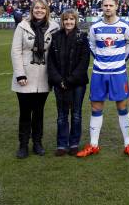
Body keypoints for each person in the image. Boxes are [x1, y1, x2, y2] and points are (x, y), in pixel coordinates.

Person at [77, 0, 129, 158]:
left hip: (118, 73)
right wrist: (100, 60)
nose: (108, 8)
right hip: (99, 72)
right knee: (96, 107)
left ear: (116, 6)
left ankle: (128, 144)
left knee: (122, 107)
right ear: (102, 7)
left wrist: (120, 61)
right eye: (105, 5)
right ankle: (93, 145)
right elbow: (91, 45)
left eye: (111, 5)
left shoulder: (125, 27)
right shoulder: (94, 27)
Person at [11, 0, 59, 159]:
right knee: (25, 112)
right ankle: (23, 145)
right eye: (36, 8)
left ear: (47, 11)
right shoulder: (22, 26)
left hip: (44, 76)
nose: (39, 10)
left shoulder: (54, 27)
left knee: (38, 112)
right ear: (32, 10)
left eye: (42, 8)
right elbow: (15, 51)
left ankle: (37, 143)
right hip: (25, 76)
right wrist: (20, 74)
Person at [47, 9, 90, 156]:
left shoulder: (82, 37)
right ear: (62, 21)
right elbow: (50, 62)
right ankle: (61, 145)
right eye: (66, 19)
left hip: (77, 83)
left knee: (76, 114)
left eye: (72, 19)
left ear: (76, 20)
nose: (69, 22)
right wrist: (59, 80)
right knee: (62, 115)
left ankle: (74, 143)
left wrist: (70, 81)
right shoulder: (55, 37)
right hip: (60, 83)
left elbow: (84, 62)